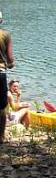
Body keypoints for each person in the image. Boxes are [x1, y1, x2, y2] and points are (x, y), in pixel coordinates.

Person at [0, 11, 15, 143]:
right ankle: (1, 136)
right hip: (0, 72)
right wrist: (11, 64)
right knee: (2, 106)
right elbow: (10, 59)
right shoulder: (5, 35)